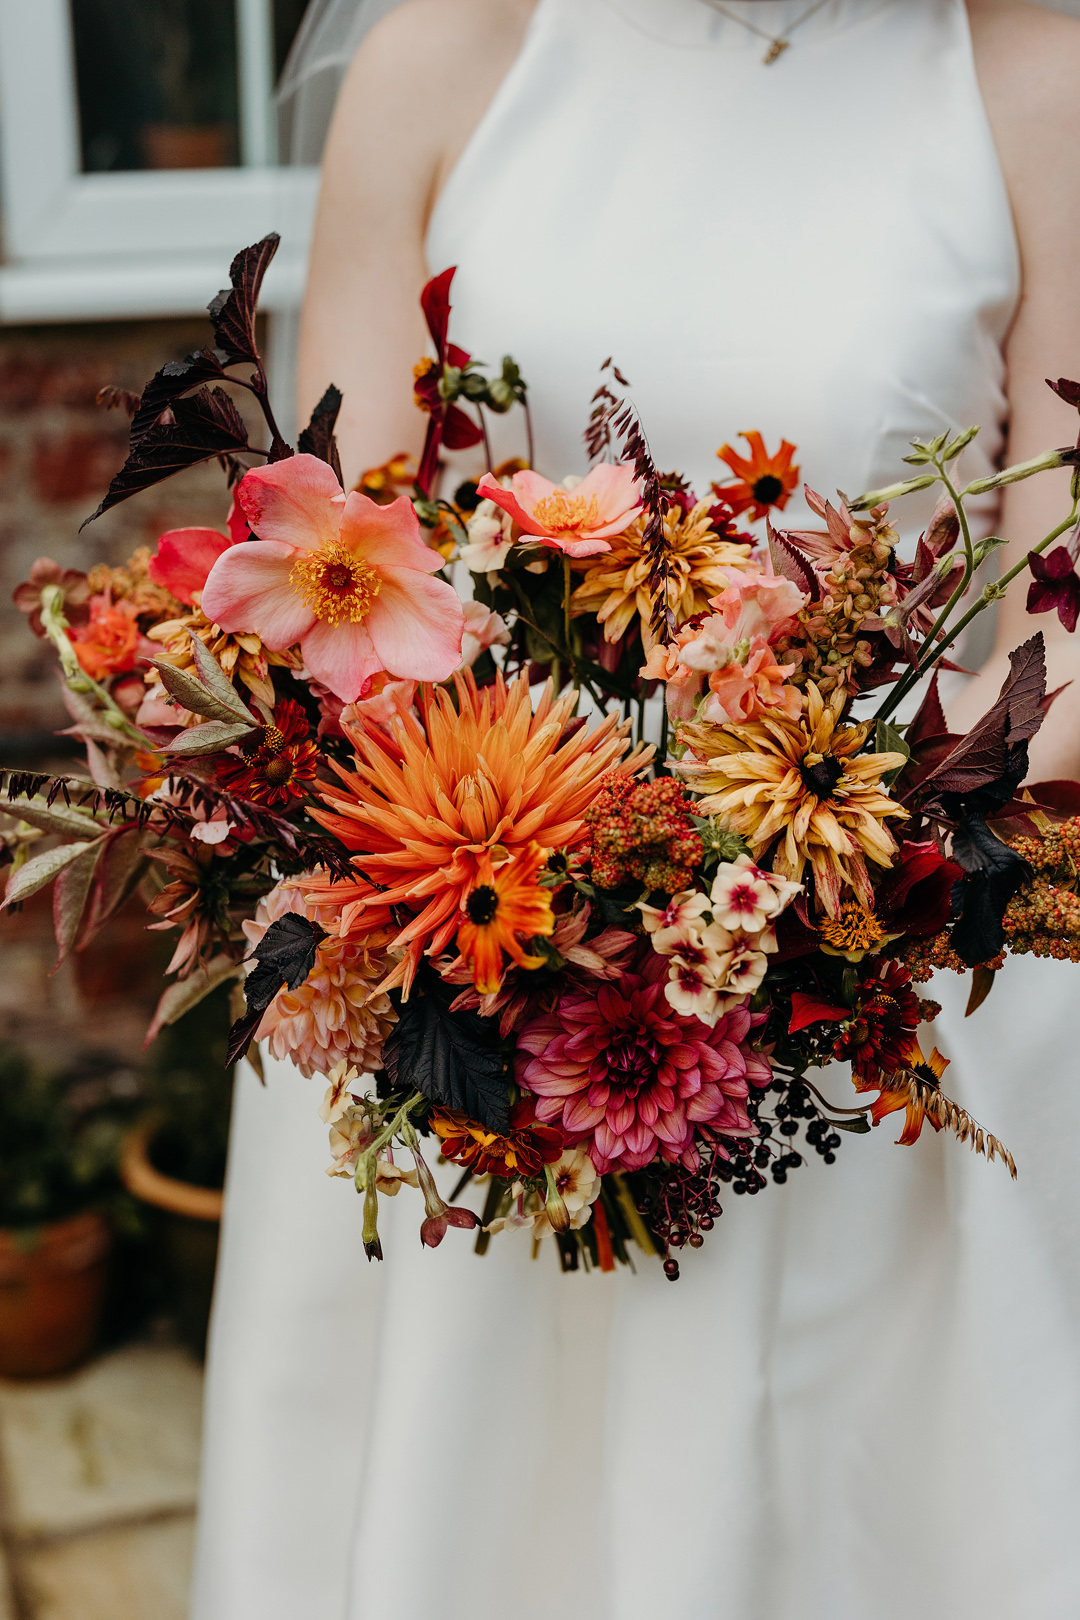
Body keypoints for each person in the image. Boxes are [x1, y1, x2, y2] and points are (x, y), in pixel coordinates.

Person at [191, 4, 1080, 1618]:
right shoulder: (445, 62)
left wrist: (768, 869)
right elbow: (337, 575)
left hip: (880, 973)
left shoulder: (1035, 80)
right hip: (478, 962)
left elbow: (1067, 633)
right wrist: (544, 870)